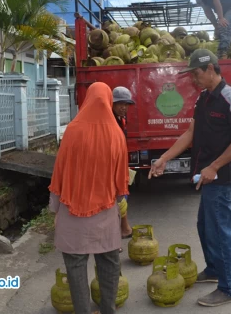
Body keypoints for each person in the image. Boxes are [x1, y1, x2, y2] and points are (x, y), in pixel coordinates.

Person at [149, 49, 231, 307]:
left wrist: (214, 166)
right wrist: (164, 159)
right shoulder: (203, 98)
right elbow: (189, 134)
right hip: (205, 176)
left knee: (218, 231)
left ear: (210, 69)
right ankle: (215, 269)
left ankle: (229, 288)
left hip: (222, 175)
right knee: (204, 226)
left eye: (196, 73)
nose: (193, 79)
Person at [49, 82, 129, 314]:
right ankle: (108, 309)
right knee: (109, 263)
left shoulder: (72, 130)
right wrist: (119, 208)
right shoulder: (116, 133)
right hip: (105, 212)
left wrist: (55, 210)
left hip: (71, 212)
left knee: (75, 266)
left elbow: (60, 173)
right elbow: (120, 179)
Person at [112, 86, 135, 240]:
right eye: (120, 103)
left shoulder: (121, 120)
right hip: (112, 167)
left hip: (120, 165)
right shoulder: (109, 121)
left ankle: (121, 229)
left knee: (123, 197)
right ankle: (117, 233)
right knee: (117, 200)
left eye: (126, 104)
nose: (123, 107)